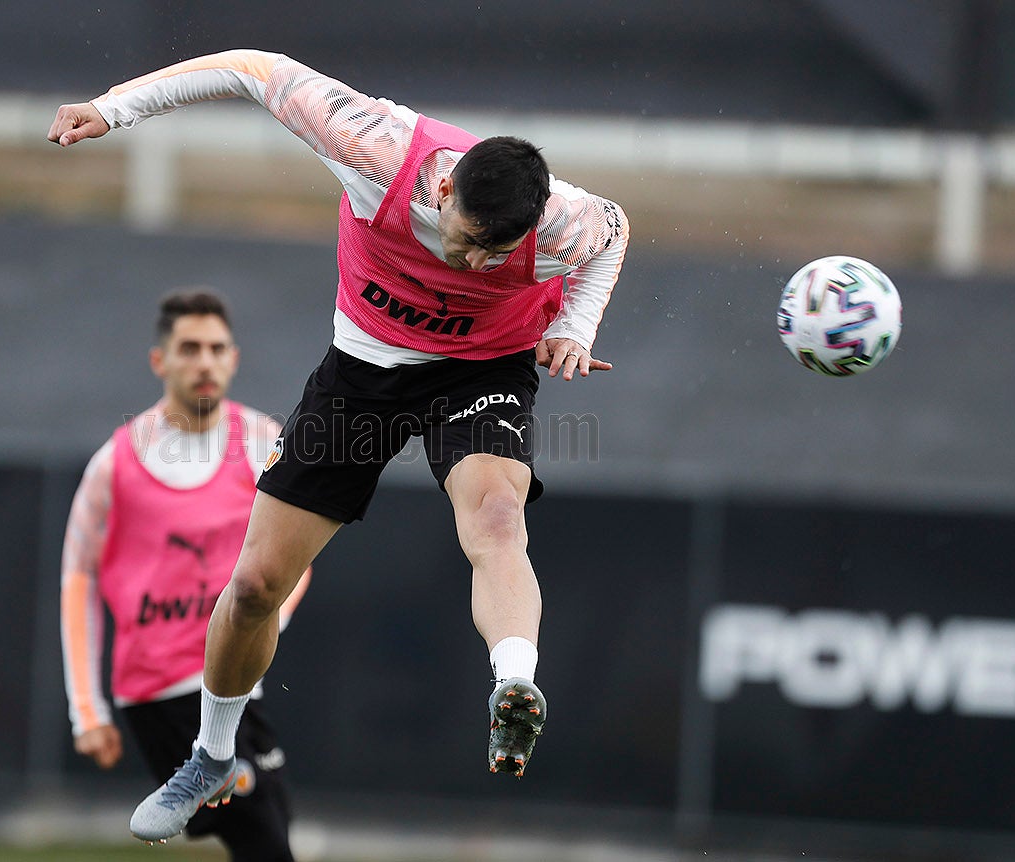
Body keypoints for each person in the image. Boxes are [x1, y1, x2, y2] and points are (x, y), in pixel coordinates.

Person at [48, 49, 629, 844]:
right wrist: (114, 109)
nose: (477, 263)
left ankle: (514, 689)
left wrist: (572, 328)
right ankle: (212, 755)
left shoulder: (563, 220)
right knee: (253, 584)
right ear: (447, 186)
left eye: (499, 252)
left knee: (495, 517)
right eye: (468, 241)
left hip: (483, 371)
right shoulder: (374, 147)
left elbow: (615, 232)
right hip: (365, 372)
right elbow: (250, 68)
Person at [60, 289, 310, 860]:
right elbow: (77, 578)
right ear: (160, 361)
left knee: (275, 823)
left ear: (234, 359)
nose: (205, 361)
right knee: (264, 841)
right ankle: (223, 774)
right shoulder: (116, 463)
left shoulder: (264, 443)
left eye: (217, 348)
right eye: (190, 348)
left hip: (237, 682)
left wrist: (253, 635)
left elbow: (297, 565)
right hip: (160, 691)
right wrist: (87, 708)